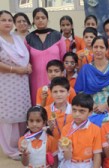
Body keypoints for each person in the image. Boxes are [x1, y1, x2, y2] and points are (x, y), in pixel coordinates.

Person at [0, 10, 32, 160]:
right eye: (3, 20)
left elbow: (24, 56)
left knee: (22, 113)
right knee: (9, 114)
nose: (7, 23)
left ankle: (22, 144)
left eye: (9, 20)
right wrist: (16, 69)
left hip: (21, 81)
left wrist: (28, 65)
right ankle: (11, 149)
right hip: (5, 82)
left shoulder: (17, 38)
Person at [25, 7, 66, 104]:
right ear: (33, 21)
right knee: (39, 106)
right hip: (36, 79)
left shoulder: (57, 36)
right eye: (37, 18)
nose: (40, 20)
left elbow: (63, 58)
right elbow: (26, 60)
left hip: (55, 78)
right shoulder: (29, 38)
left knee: (56, 104)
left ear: (47, 19)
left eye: (43, 18)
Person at [75, 36, 109, 114]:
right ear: (91, 49)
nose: (98, 50)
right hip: (90, 108)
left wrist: (106, 105)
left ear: (107, 50)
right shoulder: (86, 69)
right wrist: (91, 104)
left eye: (101, 47)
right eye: (96, 47)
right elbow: (81, 92)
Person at [60, 93, 102, 168]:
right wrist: (67, 150)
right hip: (70, 164)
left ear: (90, 113)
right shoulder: (66, 129)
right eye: (74, 110)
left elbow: (97, 154)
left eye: (81, 111)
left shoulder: (96, 129)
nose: (77, 114)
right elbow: (67, 157)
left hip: (88, 164)